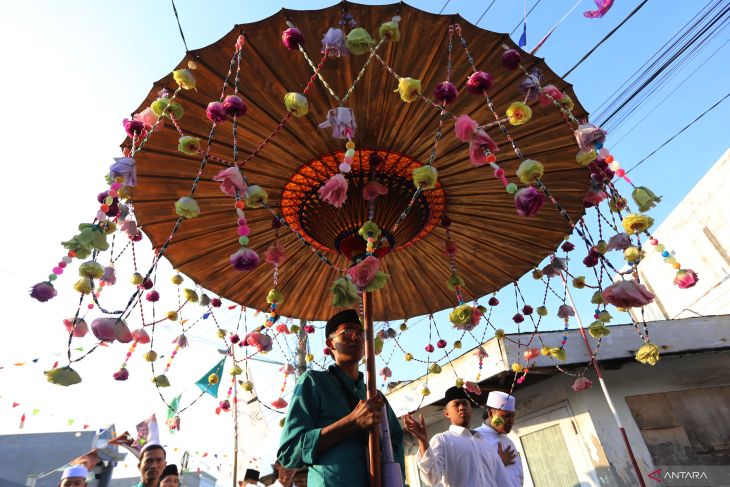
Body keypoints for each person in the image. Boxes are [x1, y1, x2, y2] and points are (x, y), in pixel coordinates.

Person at [277, 309, 405, 486]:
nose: (357, 338)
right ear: (331, 343)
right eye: (348, 332)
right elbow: (289, 452)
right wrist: (352, 422)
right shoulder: (314, 382)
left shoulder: (376, 397)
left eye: (361, 333)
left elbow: (396, 447)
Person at [404, 386, 509, 487]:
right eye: (456, 404)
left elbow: (502, 480)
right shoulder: (442, 440)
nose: (461, 407)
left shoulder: (485, 442)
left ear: (471, 409)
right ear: (446, 413)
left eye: (465, 404)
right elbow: (431, 478)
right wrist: (422, 440)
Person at [475, 391, 524, 486]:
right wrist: (499, 463)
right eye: (505, 416)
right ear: (491, 414)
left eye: (513, 416)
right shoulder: (475, 438)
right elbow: (472, 476)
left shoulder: (508, 441)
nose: (511, 421)